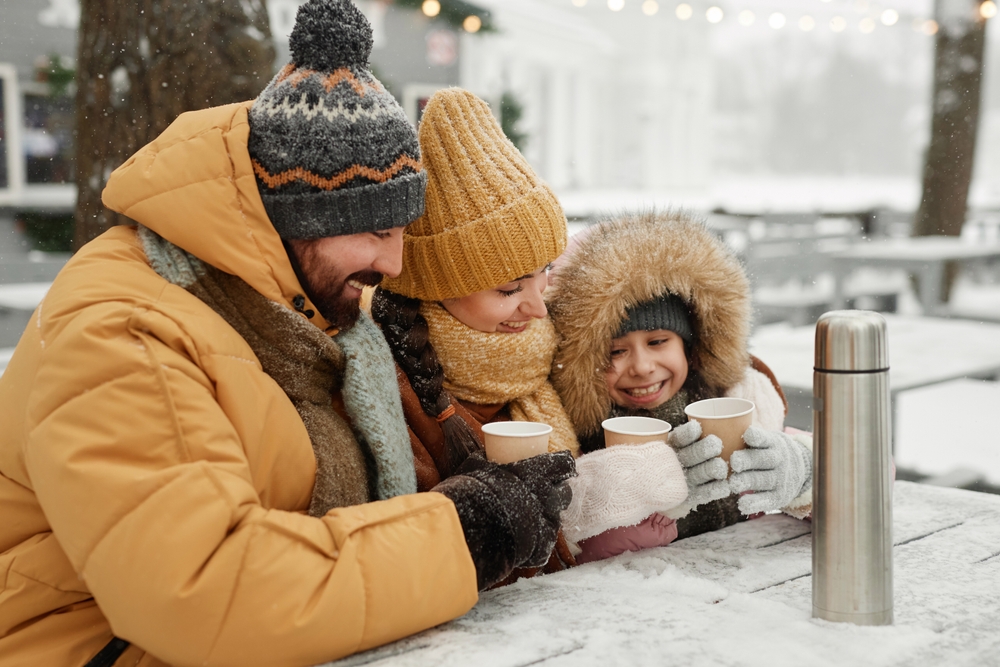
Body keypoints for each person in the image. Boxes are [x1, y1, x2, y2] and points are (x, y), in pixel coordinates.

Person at [0, 2, 574, 665]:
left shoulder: (290, 311)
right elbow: (206, 593)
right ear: (294, 219)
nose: (392, 264)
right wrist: (461, 535)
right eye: (374, 231)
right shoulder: (121, 336)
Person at [371, 88, 586, 579]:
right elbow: (404, 556)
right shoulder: (389, 387)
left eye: (545, 271)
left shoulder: (562, 341)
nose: (536, 307)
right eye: (510, 289)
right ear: (434, 286)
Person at [548, 211, 813, 563]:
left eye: (658, 341)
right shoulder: (576, 438)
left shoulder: (735, 403)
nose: (642, 367)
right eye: (616, 352)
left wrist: (803, 473)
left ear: (690, 345)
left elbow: (865, 471)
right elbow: (560, 546)